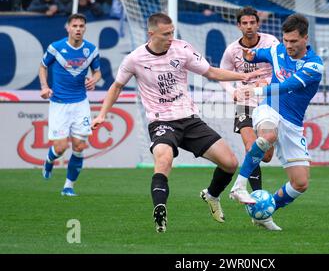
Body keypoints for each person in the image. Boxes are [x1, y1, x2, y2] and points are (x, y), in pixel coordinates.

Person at [91, 13, 270, 233]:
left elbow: (211, 72)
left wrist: (241, 77)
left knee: (230, 163)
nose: (170, 37)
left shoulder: (182, 49)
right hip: (161, 122)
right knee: (164, 160)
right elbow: (116, 87)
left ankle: (212, 196)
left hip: (189, 119)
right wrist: (102, 114)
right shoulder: (134, 59)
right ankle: (160, 210)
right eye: (166, 34)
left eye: (172, 32)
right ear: (151, 33)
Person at [229, 13, 323, 231]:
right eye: (285, 40)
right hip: (269, 109)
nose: (288, 45)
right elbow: (256, 55)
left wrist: (254, 89)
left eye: (293, 41)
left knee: (300, 183)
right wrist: (250, 56)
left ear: (305, 38)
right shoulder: (277, 49)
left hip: (293, 125)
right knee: (268, 136)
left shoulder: (314, 66)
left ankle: (266, 211)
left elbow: (287, 85)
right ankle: (239, 186)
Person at [39, 13, 102, 196]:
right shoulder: (56, 48)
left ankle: (68, 186)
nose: (78, 29)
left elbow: (97, 72)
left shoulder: (91, 50)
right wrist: (44, 86)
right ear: (68, 28)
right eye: (74, 26)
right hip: (59, 103)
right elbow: (43, 66)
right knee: (60, 148)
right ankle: (50, 160)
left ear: (85, 28)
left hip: (80, 103)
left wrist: (94, 79)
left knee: (80, 146)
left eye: (81, 26)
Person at [219, 6, 278, 192]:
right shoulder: (232, 50)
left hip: (269, 100)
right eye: (245, 23)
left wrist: (266, 81)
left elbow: (283, 70)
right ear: (239, 26)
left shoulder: (271, 43)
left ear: (258, 23)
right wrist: (232, 92)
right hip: (245, 101)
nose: (249, 26)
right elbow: (223, 74)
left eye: (252, 22)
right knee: (250, 146)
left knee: (266, 155)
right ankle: (256, 196)